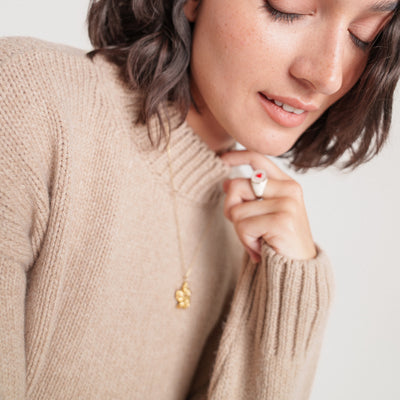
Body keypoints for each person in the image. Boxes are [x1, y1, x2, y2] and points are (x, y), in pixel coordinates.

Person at [0, 0, 399, 399]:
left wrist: (291, 291)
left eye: (363, 36)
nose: (327, 75)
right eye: (287, 7)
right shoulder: (26, 102)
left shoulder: (253, 244)